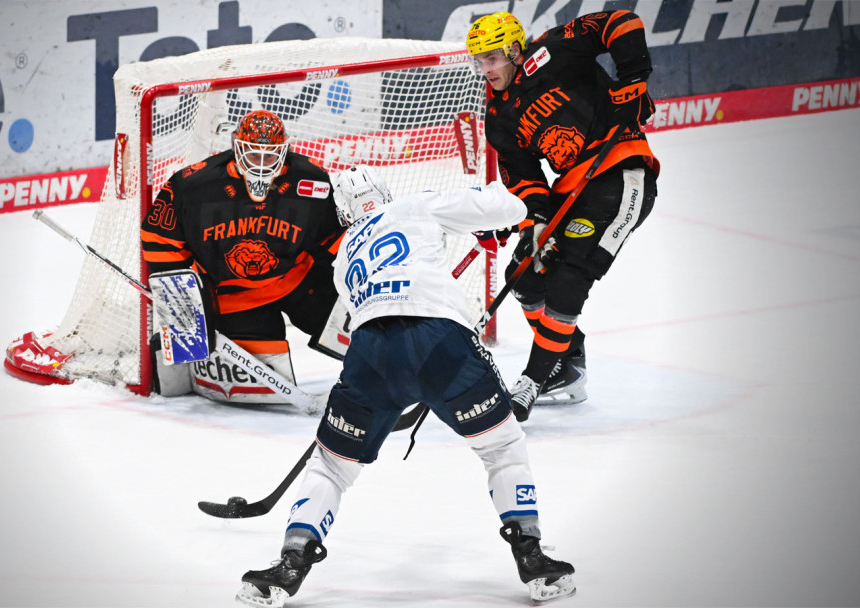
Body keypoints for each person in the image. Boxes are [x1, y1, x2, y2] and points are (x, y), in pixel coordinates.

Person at [234, 165, 576, 608]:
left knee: (331, 467)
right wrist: (498, 222)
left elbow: (388, 282)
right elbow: (507, 205)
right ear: (385, 191)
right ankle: (532, 559)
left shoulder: (343, 261)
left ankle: (289, 565)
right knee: (502, 448)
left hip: (371, 354)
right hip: (442, 343)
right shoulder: (415, 205)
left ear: (344, 213)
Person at [466, 11, 661, 422]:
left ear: (515, 51)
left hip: (622, 173)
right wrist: (535, 221)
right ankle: (566, 364)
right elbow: (523, 176)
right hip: (573, 191)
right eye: (478, 61)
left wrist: (633, 79)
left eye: (491, 59)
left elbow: (622, 22)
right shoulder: (499, 115)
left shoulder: (554, 50)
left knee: (570, 276)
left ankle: (532, 381)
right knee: (524, 273)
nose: (484, 70)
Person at [140, 109, 346, 398]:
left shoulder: (312, 181)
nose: (262, 164)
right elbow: (157, 237)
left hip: (297, 281)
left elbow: (336, 235)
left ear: (285, 150)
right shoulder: (195, 185)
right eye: (253, 155)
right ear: (237, 148)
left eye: (271, 155)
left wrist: (348, 280)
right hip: (236, 299)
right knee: (257, 390)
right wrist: (188, 300)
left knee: (361, 328)